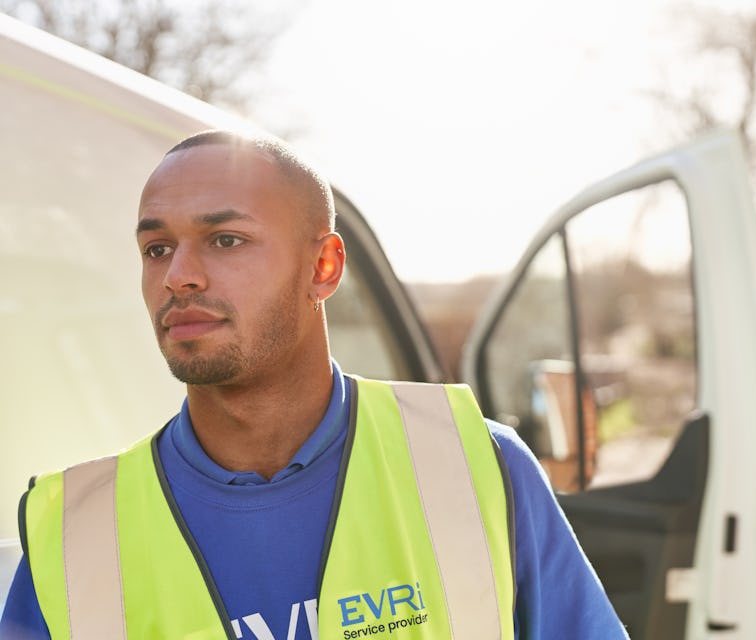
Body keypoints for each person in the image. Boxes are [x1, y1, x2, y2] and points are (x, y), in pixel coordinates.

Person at [0, 130, 629, 639]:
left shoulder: (477, 465)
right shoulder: (75, 536)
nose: (179, 276)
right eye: (157, 248)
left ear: (323, 267)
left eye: (224, 239)